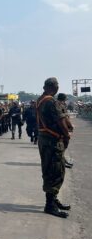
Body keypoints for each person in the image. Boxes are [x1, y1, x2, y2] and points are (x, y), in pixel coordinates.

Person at [36, 77, 71, 218]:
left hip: (45, 138)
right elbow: (60, 120)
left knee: (49, 168)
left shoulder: (40, 99)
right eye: (57, 86)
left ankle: (53, 200)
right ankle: (50, 204)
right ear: (54, 87)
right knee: (56, 170)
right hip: (52, 140)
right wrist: (67, 135)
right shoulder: (50, 101)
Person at [56, 93, 74, 169]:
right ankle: (62, 161)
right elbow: (63, 118)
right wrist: (68, 130)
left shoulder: (59, 104)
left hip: (62, 128)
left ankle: (63, 160)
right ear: (63, 99)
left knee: (63, 146)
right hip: (62, 129)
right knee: (63, 145)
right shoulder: (60, 105)